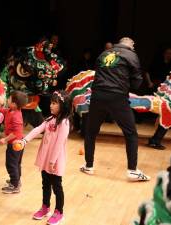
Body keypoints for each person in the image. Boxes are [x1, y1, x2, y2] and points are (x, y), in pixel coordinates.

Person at [80, 37, 150, 181]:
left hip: (97, 95)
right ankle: (132, 171)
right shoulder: (131, 55)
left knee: (90, 131)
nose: (134, 48)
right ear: (130, 45)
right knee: (131, 133)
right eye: (133, 45)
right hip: (117, 97)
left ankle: (88, 166)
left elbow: (98, 74)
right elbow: (137, 82)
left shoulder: (103, 54)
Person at [15, 90, 71, 225]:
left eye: (54, 103)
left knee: (57, 186)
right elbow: (37, 130)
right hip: (46, 158)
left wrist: (52, 161)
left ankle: (59, 212)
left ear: (63, 106)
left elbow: (59, 144)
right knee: (45, 184)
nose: (51, 106)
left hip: (55, 160)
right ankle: (45, 207)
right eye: (51, 103)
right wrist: (24, 141)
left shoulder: (64, 123)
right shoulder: (50, 119)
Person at [0, 91, 28, 194]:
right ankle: (16, 180)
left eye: (9, 99)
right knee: (16, 163)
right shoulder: (11, 110)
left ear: (15, 104)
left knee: (11, 164)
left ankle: (14, 185)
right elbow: (4, 111)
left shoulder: (16, 115)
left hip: (15, 144)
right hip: (16, 144)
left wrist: (5, 139)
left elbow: (16, 133)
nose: (7, 99)